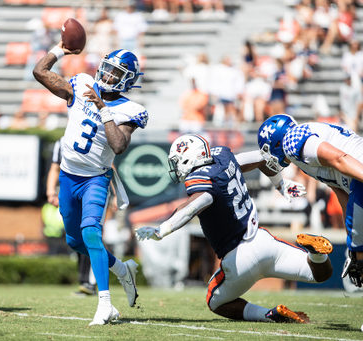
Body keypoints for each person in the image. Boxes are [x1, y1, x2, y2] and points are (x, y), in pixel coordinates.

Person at [136, 134, 334, 323]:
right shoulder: (222, 157)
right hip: (264, 242)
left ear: (190, 159)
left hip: (239, 259)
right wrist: (280, 184)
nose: (176, 167)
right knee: (320, 274)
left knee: (214, 301)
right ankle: (316, 254)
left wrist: (162, 230)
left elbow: (192, 207)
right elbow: (261, 157)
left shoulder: (201, 181)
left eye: (178, 161)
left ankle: (267, 314)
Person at [33, 43, 148, 325]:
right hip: (68, 175)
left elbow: (119, 146)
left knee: (91, 233)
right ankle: (122, 269)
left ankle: (105, 303)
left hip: (96, 177)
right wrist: (60, 49)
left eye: (115, 72)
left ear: (127, 80)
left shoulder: (131, 109)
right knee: (75, 241)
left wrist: (103, 109)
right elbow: (40, 71)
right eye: (107, 68)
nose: (107, 75)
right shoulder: (82, 82)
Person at [257, 114, 363, 289]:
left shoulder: (292, 140)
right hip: (357, 185)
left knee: (360, 256)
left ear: (276, 142)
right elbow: (343, 197)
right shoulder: (302, 161)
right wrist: (351, 241)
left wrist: (356, 246)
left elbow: (340, 158)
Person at [47, 138, 96, 295]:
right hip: (70, 192)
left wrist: (116, 193)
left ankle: (90, 282)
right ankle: (85, 281)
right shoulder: (61, 141)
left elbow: (109, 164)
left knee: (90, 233)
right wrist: (51, 192)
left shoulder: (94, 136)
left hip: (91, 190)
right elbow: (55, 168)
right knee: (76, 237)